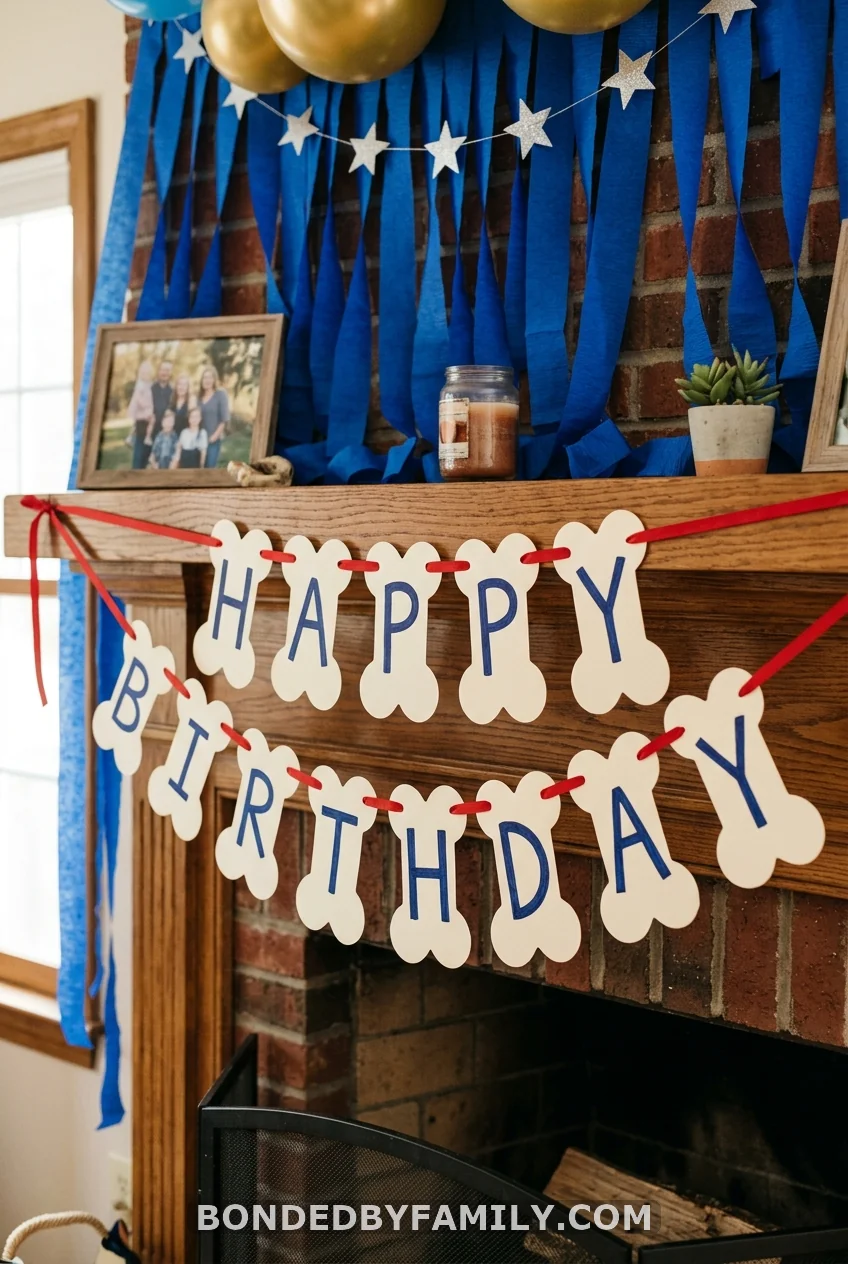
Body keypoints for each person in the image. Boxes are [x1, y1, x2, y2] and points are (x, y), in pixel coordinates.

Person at [198, 365, 230, 469]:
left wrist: (214, 437)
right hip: (199, 439)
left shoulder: (220, 395)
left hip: (213, 439)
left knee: (210, 468)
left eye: (210, 377)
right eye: (205, 377)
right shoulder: (199, 397)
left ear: (214, 379)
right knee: (198, 469)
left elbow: (224, 420)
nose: (207, 380)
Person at [127, 360, 155, 470]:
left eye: (148, 373)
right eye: (143, 373)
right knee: (140, 443)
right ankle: (137, 468)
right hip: (142, 416)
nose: (146, 375)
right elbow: (139, 399)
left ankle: (142, 466)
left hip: (146, 416)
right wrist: (147, 410)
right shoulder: (140, 385)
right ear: (140, 374)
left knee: (144, 444)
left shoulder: (149, 384)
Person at [174, 405, 209, 469]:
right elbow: (179, 448)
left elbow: (203, 452)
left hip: (196, 461)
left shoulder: (202, 433)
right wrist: (176, 462)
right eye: (192, 417)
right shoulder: (184, 432)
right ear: (189, 419)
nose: (194, 419)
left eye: (196, 417)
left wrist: (202, 466)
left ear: (200, 418)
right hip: (184, 461)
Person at [151, 360, 174, 440]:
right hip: (148, 432)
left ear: (171, 372)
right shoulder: (150, 389)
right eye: (163, 370)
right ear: (158, 371)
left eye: (167, 370)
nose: (165, 373)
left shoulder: (174, 391)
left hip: (166, 434)